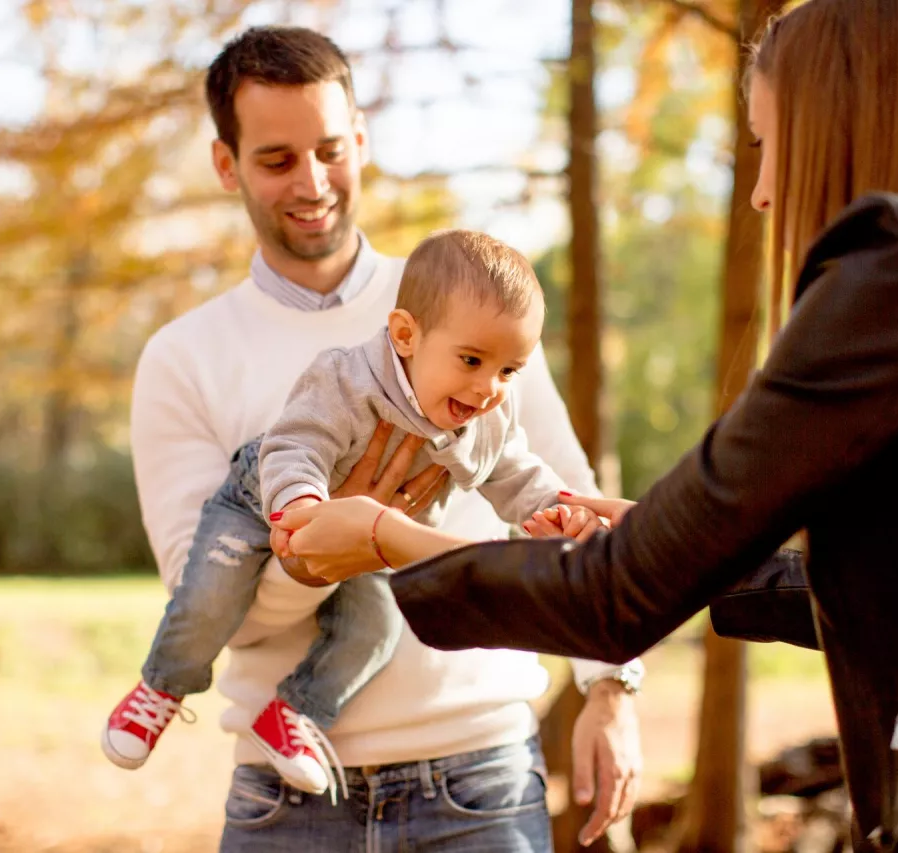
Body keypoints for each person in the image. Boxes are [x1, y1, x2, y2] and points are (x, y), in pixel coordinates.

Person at [270, 1, 898, 851]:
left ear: (839, 114)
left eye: (765, 142)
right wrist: (662, 535)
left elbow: (611, 598)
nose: (760, 192)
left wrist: (389, 537)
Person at [127, 25, 645, 851]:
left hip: (481, 779)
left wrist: (611, 688)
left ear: (361, 139)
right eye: (276, 159)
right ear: (226, 165)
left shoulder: (477, 306)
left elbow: (566, 502)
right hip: (283, 801)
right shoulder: (182, 359)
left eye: (332, 149)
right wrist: (328, 545)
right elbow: (208, 599)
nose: (313, 181)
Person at [104, 230, 603, 801]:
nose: (489, 387)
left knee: (376, 629)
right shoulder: (347, 377)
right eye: (471, 360)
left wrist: (554, 511)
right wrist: (304, 507)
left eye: (509, 370)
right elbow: (296, 446)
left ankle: (293, 714)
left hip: (369, 543)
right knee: (210, 595)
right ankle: (162, 686)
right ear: (405, 335)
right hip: (267, 501)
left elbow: (515, 469)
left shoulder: (485, 414)